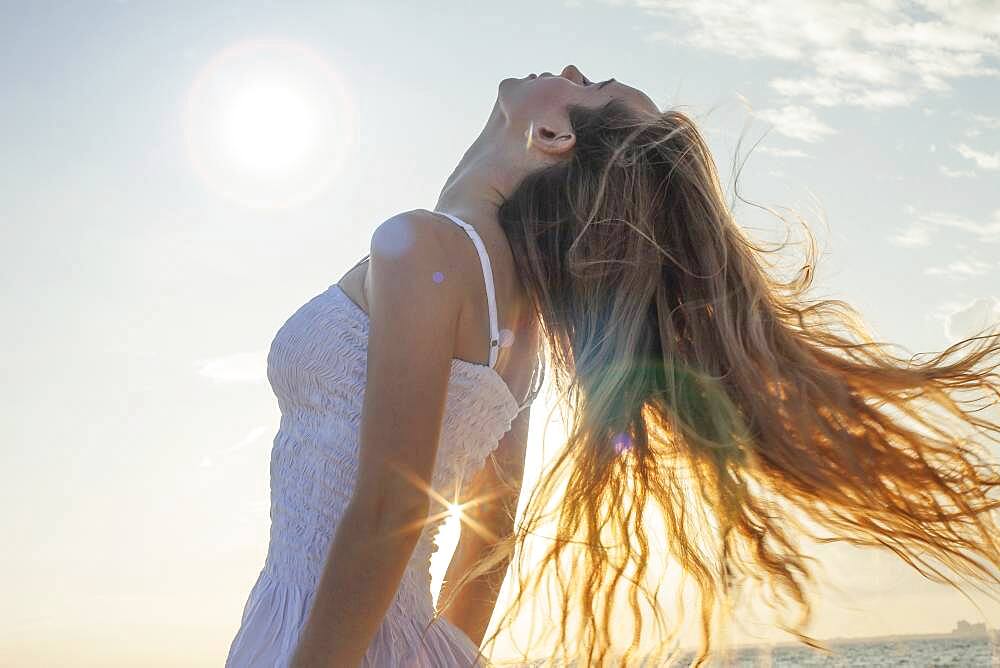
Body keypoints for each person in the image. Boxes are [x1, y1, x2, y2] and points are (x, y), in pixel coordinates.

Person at [226, 64, 1000, 667]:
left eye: (588, 86)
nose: (568, 67)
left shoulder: (423, 246)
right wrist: (440, 655)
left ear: (555, 140)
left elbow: (393, 510)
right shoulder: (523, 316)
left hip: (316, 640)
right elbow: (491, 532)